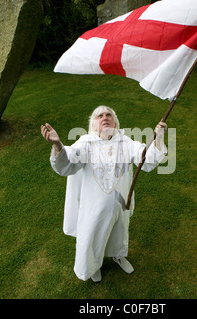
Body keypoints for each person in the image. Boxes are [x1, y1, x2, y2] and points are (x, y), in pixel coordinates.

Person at [41, 106, 167, 282]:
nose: (105, 117)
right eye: (100, 115)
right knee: (92, 237)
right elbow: (69, 160)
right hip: (94, 207)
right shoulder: (86, 143)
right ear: (94, 124)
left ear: (115, 122)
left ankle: (118, 255)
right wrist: (58, 144)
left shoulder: (125, 142)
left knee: (119, 232)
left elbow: (146, 159)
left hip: (119, 204)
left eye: (109, 115)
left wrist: (158, 138)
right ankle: (93, 267)